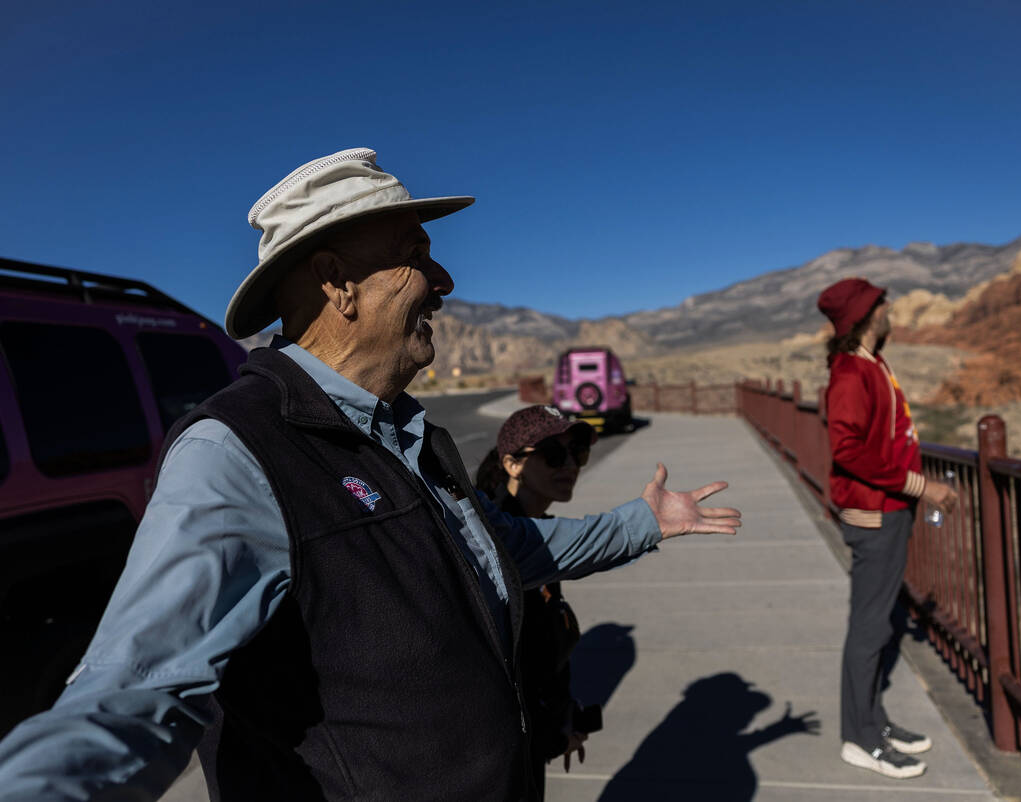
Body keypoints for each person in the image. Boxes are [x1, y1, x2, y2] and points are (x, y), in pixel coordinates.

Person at [0, 148, 741, 802]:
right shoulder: (237, 449)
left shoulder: (411, 431)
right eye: (416, 252)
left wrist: (645, 522)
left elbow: (500, 551)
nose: (445, 278)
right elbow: (135, 688)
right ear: (337, 283)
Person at [817, 277, 957, 780]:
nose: (890, 307)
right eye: (882, 302)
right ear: (865, 314)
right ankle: (858, 739)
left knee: (877, 625)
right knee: (869, 628)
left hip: (889, 511)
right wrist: (922, 486)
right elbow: (848, 451)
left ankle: (873, 721)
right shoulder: (851, 372)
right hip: (874, 515)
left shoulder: (873, 364)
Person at [475, 406, 600, 800]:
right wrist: (549, 734)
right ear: (512, 464)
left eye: (576, 452)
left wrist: (566, 718)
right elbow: (505, 669)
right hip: (503, 758)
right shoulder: (496, 543)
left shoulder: (537, 532)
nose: (569, 465)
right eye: (552, 454)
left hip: (533, 742)